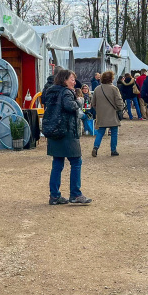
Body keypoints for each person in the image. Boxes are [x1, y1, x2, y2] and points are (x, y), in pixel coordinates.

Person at [42, 69, 91, 205]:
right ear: (64, 80)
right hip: (67, 131)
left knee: (57, 163)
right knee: (76, 162)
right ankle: (75, 194)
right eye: (72, 79)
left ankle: (54, 196)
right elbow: (70, 106)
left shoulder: (50, 91)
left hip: (53, 130)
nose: (74, 82)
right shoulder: (66, 92)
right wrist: (80, 101)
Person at [91, 70, 124, 157]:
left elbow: (93, 103)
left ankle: (95, 147)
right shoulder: (114, 88)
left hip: (101, 114)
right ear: (111, 79)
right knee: (114, 133)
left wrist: (98, 110)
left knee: (100, 132)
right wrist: (120, 109)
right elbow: (119, 101)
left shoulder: (97, 89)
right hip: (112, 113)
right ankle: (113, 150)